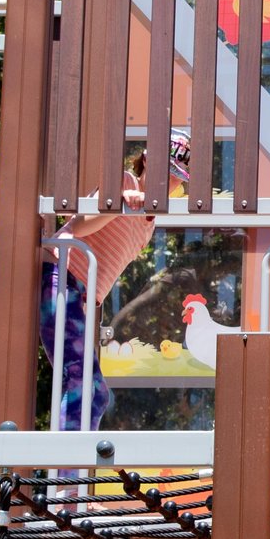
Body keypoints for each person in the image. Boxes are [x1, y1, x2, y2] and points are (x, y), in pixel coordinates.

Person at [41, 129, 191, 430]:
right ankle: (66, 470)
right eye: (166, 170)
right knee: (85, 386)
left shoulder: (150, 224)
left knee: (95, 393)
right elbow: (80, 226)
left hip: (80, 297)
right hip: (61, 279)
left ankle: (72, 469)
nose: (169, 180)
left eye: (177, 176)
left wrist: (88, 303)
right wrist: (118, 202)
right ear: (147, 160)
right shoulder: (124, 181)